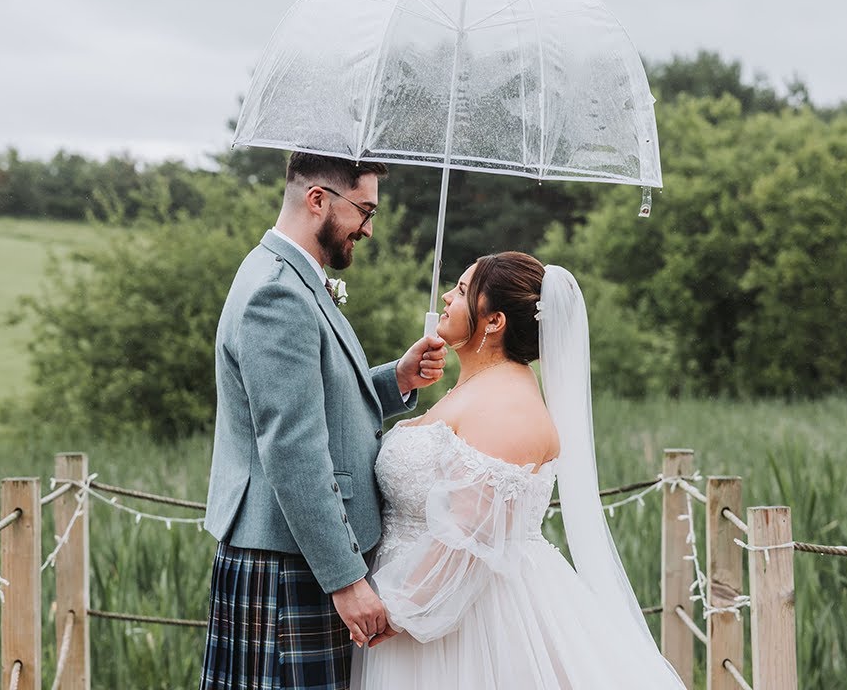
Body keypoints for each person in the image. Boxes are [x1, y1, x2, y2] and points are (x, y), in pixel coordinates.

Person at [352, 252, 685, 689]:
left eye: (464, 290)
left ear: (494, 322)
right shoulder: (470, 388)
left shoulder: (512, 406)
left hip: (467, 622)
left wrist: (400, 608)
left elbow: (470, 533)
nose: (448, 297)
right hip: (412, 598)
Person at [200, 151, 447, 690]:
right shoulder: (278, 294)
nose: (368, 228)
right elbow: (293, 448)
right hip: (292, 557)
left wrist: (398, 379)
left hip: (295, 550)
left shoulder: (287, 274)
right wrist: (345, 581)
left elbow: (325, 404)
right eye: (364, 210)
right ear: (318, 200)